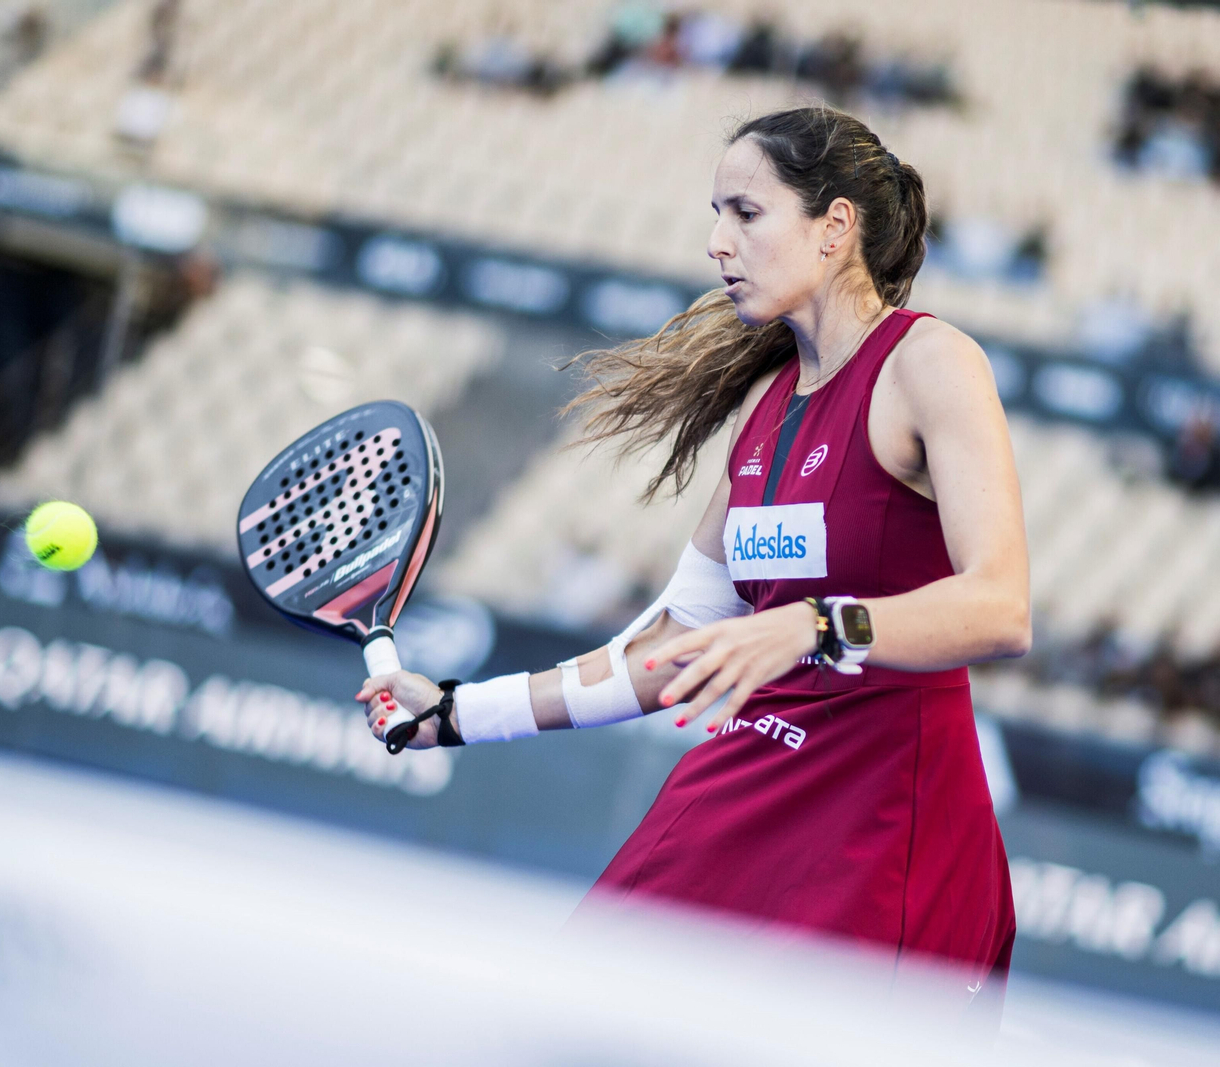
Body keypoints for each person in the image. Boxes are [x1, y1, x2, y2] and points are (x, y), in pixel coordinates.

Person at [355, 106, 1029, 1016]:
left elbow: (1001, 606)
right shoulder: (766, 406)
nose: (717, 243)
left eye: (745, 213)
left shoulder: (932, 361)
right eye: (716, 215)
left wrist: (814, 626)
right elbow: (664, 648)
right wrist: (456, 712)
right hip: (756, 784)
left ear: (835, 226)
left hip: (888, 828)